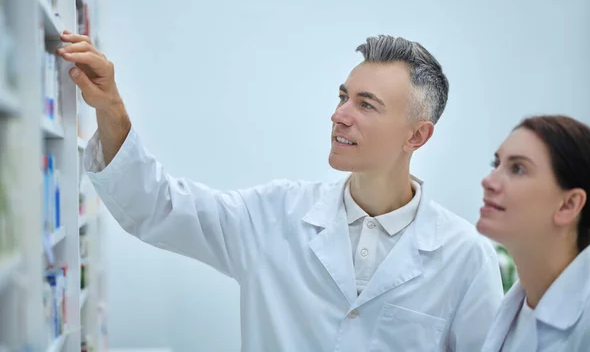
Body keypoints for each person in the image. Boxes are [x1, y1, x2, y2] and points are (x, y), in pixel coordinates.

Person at [57, 31, 503, 351]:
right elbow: (157, 207)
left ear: (417, 136)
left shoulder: (464, 257)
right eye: (343, 96)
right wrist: (111, 108)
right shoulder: (275, 215)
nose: (339, 114)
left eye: (366, 105)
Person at [477, 115, 590, 351]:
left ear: (569, 205)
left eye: (518, 169)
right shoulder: (517, 307)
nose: (488, 181)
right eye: (497, 164)